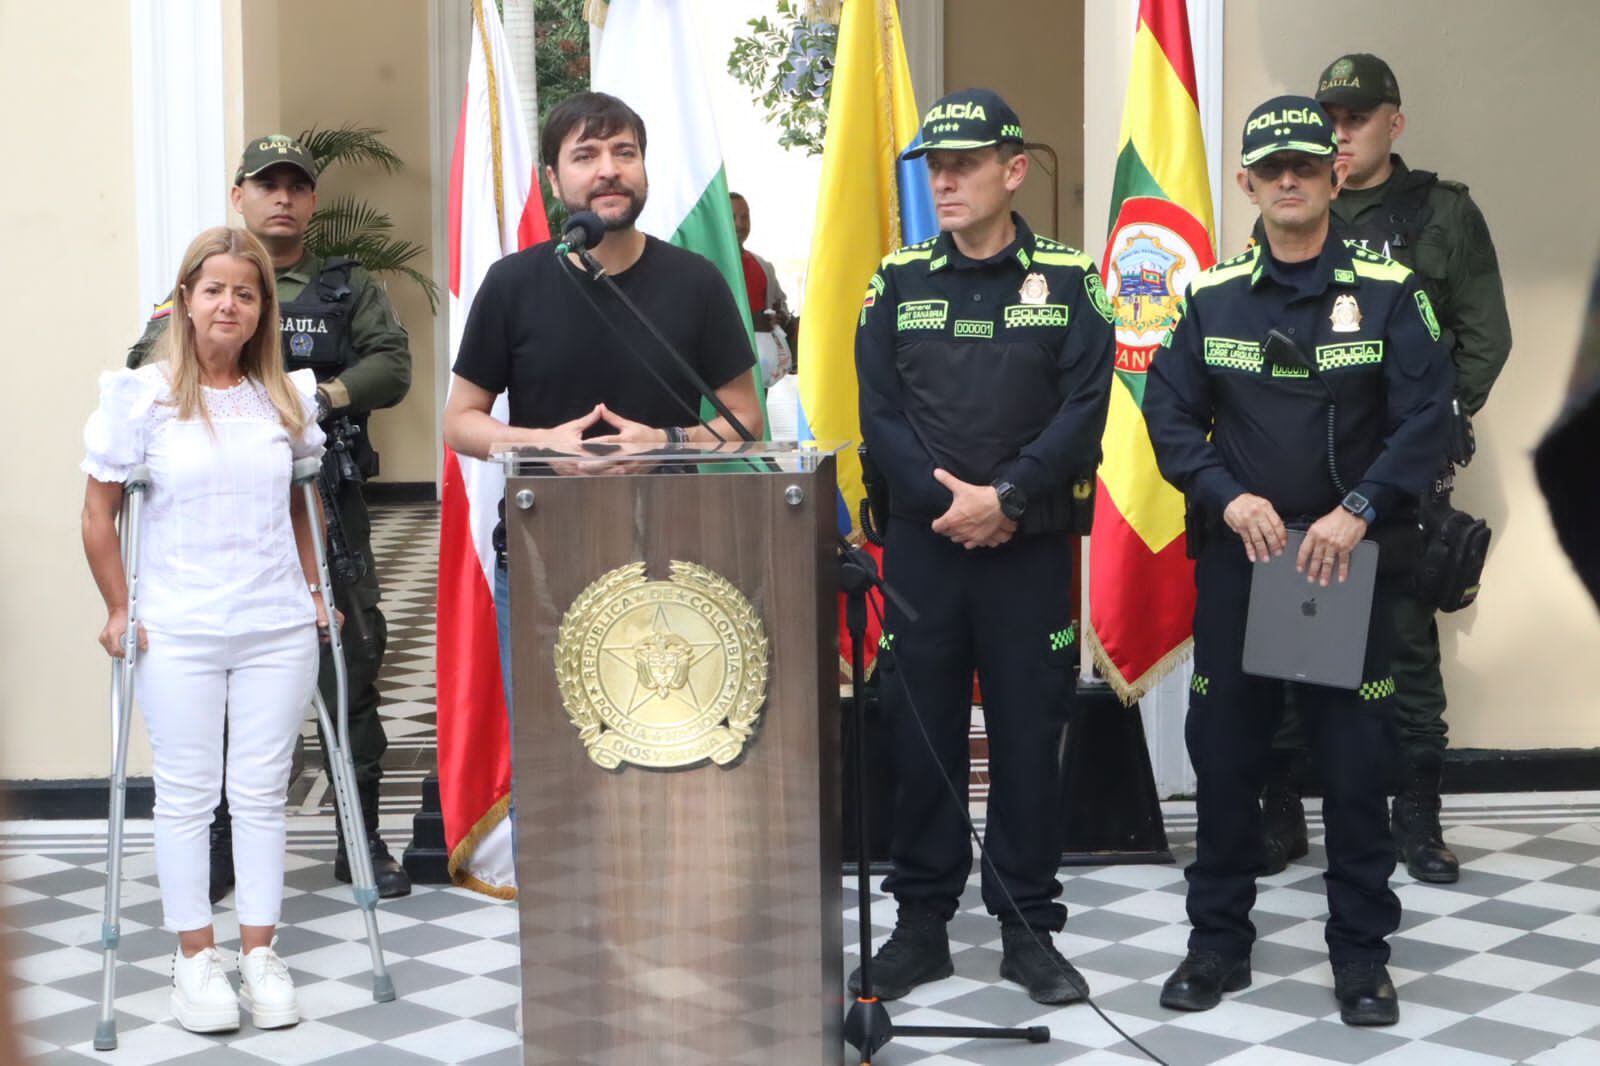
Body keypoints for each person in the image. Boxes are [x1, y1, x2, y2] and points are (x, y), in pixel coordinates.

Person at [1144, 96, 1452, 1026]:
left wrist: (1359, 511)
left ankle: (1361, 956)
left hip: (1345, 567)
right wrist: (1224, 495)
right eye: (1271, 168)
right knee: (1228, 761)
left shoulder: (1394, 293)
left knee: (1357, 769)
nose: (1289, 180)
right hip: (1245, 560)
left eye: (1307, 167)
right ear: (1246, 182)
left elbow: (1427, 419)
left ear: (1338, 176)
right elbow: (1166, 416)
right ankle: (1217, 946)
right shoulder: (1210, 298)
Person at [850, 88, 1114, 1006]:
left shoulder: (1074, 282)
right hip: (926, 550)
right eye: (936, 165)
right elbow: (879, 416)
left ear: (1013, 171)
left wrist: (1005, 496)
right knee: (920, 735)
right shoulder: (898, 281)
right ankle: (920, 925)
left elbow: (1086, 414)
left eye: (965, 164)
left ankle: (1028, 929)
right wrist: (948, 504)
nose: (946, 179)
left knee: (1028, 736)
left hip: (1029, 547)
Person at [129, 134, 414, 899]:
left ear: (312, 202)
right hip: (219, 516)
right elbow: (142, 368)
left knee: (348, 668)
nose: (282, 197)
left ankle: (363, 839)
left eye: (296, 186)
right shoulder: (205, 284)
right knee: (218, 675)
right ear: (240, 197)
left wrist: (319, 397)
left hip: (327, 499)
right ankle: (220, 840)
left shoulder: (350, 287)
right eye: (267, 184)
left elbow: (393, 365)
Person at [1260, 54, 1513, 884]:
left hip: (1400, 471)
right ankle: (1284, 812)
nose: (1338, 133)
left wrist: (1429, 424)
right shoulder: (1293, 204)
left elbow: (1484, 336)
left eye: (1356, 118)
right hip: (1307, 466)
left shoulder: (1442, 213)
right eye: (1329, 115)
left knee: (1404, 645)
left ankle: (1417, 816)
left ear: (1392, 124)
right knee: (1296, 635)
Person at [83, 226, 329, 1032]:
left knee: (261, 792)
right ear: (186, 299)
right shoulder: (141, 396)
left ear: (262, 311)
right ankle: (196, 960)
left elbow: (300, 505)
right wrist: (121, 607)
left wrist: (316, 590)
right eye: (215, 289)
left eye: (247, 293)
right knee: (188, 797)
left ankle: (258, 953)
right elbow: (98, 514)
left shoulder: (283, 397)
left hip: (274, 622)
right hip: (179, 626)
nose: (230, 304)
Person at [442, 91, 762, 692]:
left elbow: (745, 422)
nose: (609, 168)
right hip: (546, 559)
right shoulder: (513, 284)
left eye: (625, 152)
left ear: (644, 169)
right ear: (553, 180)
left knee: (665, 756)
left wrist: (665, 441)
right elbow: (461, 421)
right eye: (584, 155)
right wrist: (543, 444)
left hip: (675, 560)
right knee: (554, 766)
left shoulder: (696, 281)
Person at [729, 190, 793, 386]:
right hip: (725, 362)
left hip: (761, 363)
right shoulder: (708, 265)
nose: (740, 224)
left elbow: (781, 304)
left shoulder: (763, 266)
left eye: (745, 217)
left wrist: (779, 317)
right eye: (733, 217)